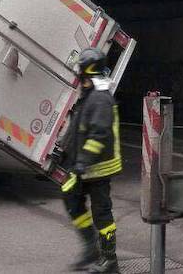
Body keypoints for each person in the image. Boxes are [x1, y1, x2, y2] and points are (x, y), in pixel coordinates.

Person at [61, 47, 122, 273]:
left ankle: (110, 261)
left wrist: (81, 162)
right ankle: (90, 249)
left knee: (102, 213)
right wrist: (66, 152)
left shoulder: (99, 98)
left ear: (87, 70)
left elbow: (99, 134)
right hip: (85, 166)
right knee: (71, 199)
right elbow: (80, 129)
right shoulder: (90, 93)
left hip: (98, 168)